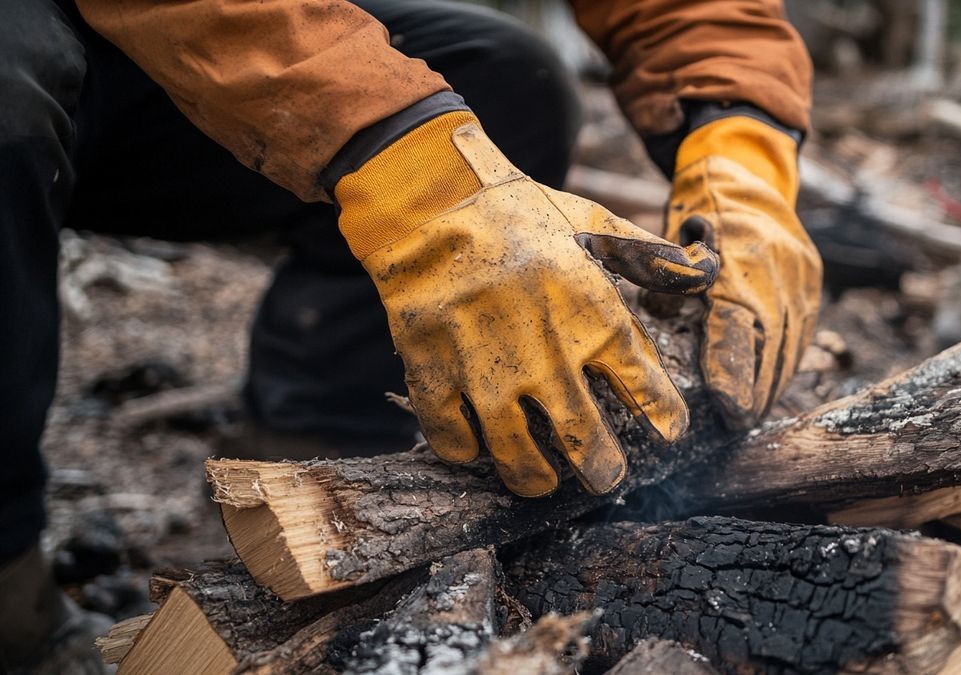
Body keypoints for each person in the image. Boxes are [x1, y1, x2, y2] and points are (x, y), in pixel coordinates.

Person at [0, 0, 821, 670]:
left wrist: (738, 142)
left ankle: (325, 493)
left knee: (507, 80)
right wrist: (415, 177)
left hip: (176, 80)